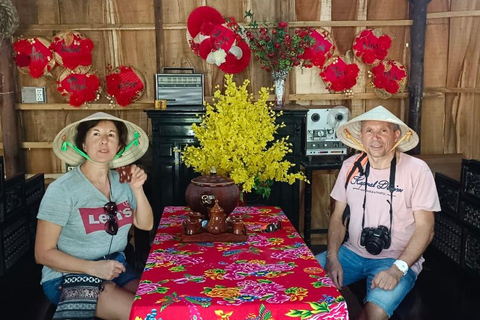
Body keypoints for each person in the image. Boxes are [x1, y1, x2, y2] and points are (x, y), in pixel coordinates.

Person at [316, 106, 440, 320]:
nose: (375, 137)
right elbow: (338, 217)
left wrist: (397, 270)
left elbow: (426, 228)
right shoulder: (350, 166)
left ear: (396, 136)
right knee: (299, 279)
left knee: (375, 313)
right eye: (369, 130)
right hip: (350, 253)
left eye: (383, 131)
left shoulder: (417, 170)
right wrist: (333, 257)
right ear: (361, 136)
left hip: (396, 260)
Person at [35, 112, 153, 320]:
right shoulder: (62, 190)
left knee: (158, 301)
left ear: (119, 147)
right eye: (96, 133)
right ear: (83, 143)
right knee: (144, 315)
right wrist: (93, 268)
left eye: (111, 135)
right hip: (67, 275)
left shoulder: (123, 181)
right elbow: (43, 254)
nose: (104, 140)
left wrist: (137, 189)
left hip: (115, 266)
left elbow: (146, 224)